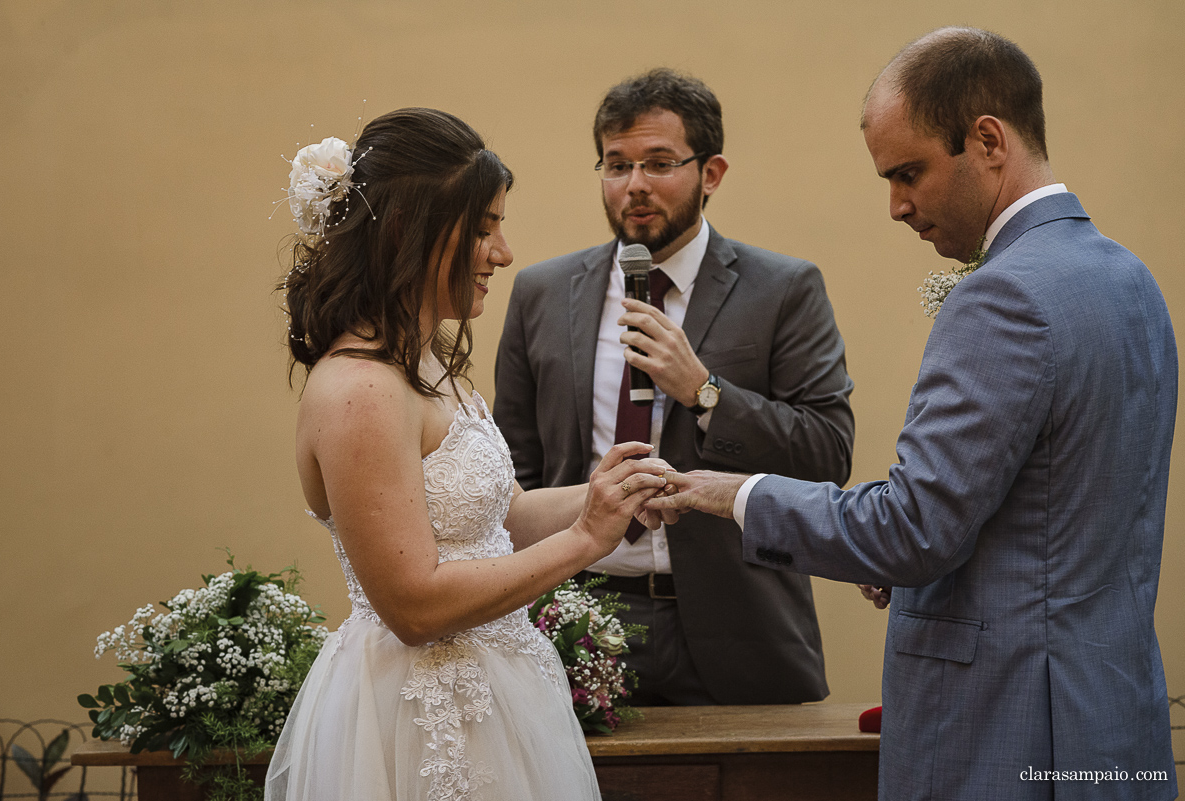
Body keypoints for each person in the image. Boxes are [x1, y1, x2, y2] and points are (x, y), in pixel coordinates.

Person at [646, 28, 1178, 800]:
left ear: (987, 139)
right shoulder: (1130, 279)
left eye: (908, 172)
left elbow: (913, 528)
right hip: (1110, 716)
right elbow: (1065, 511)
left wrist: (734, 493)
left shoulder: (1003, 295)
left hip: (1013, 724)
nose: (896, 206)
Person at [265, 108, 671, 801]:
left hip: (499, 698)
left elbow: (500, 519)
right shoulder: (359, 389)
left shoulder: (428, 364)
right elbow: (414, 604)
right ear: (408, 231)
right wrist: (585, 539)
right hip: (414, 723)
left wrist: (610, 491)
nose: (504, 252)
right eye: (483, 228)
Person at [493, 69, 854, 706]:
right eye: (616, 164)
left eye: (659, 163)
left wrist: (706, 391)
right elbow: (511, 473)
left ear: (710, 173)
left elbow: (827, 453)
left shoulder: (784, 289)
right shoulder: (542, 294)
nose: (635, 185)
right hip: (578, 623)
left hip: (739, 626)